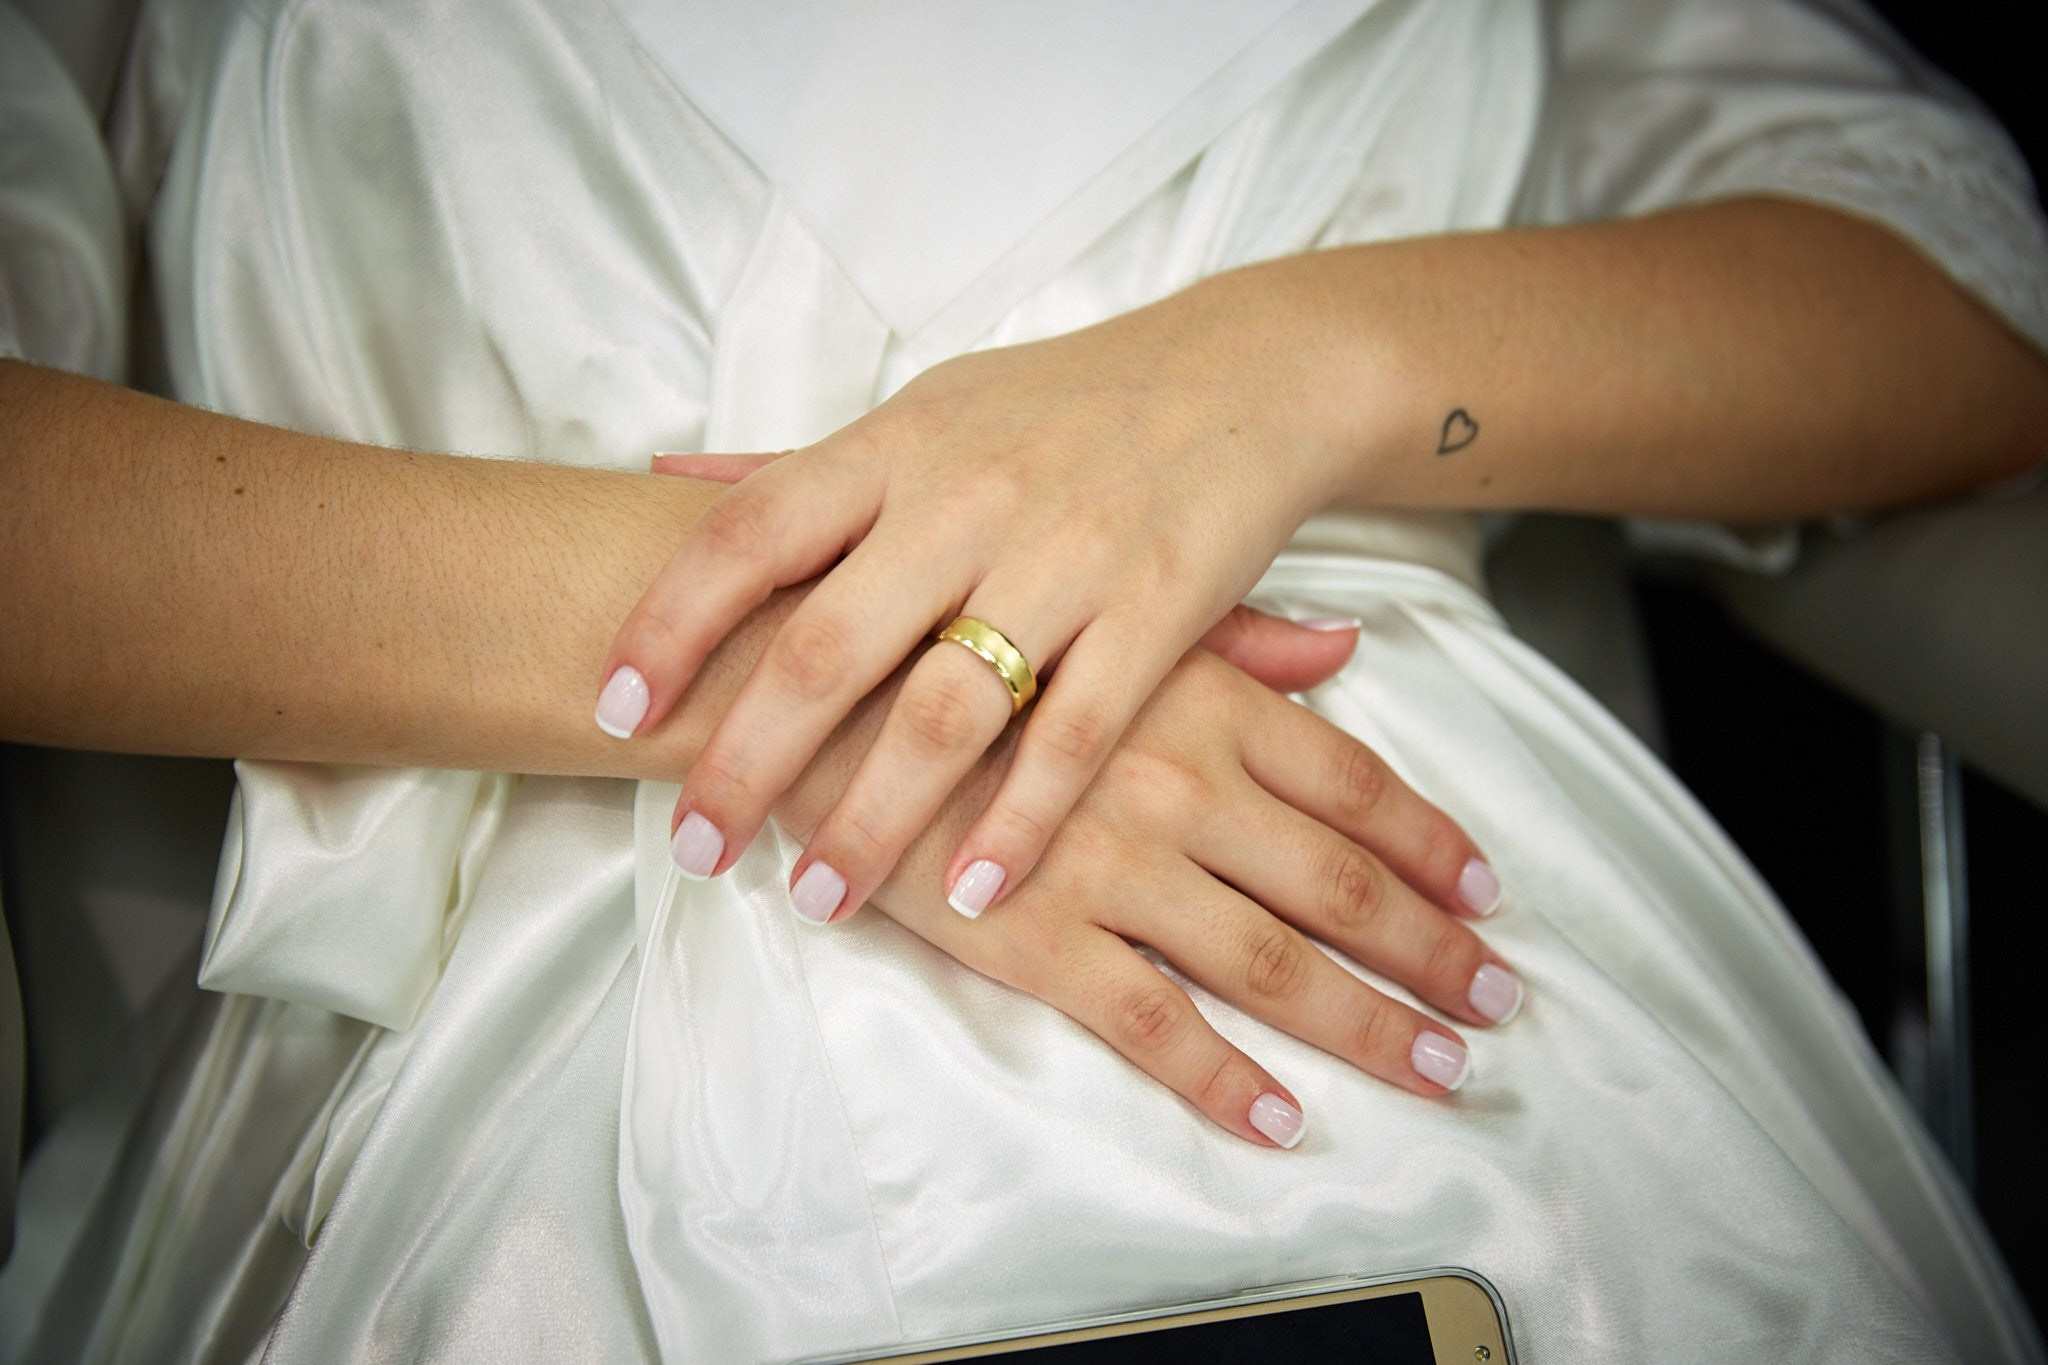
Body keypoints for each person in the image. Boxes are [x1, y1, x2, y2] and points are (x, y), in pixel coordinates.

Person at [2, 0, 2045, 1359]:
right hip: (529, 1050)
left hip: (1462, 1010)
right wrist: (778, 647)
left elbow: (1956, 290)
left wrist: (1272, 375)